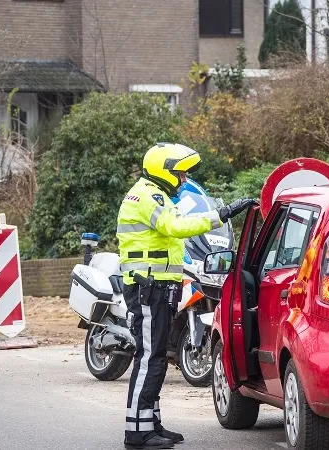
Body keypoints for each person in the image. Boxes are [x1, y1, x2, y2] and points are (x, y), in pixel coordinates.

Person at [117, 143, 256, 449]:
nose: (182, 180)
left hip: (157, 285)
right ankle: (137, 433)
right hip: (147, 287)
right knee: (148, 359)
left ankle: (150, 424)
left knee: (156, 359)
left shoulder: (157, 195)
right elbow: (176, 226)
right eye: (179, 173)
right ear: (163, 171)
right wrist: (222, 214)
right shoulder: (148, 196)